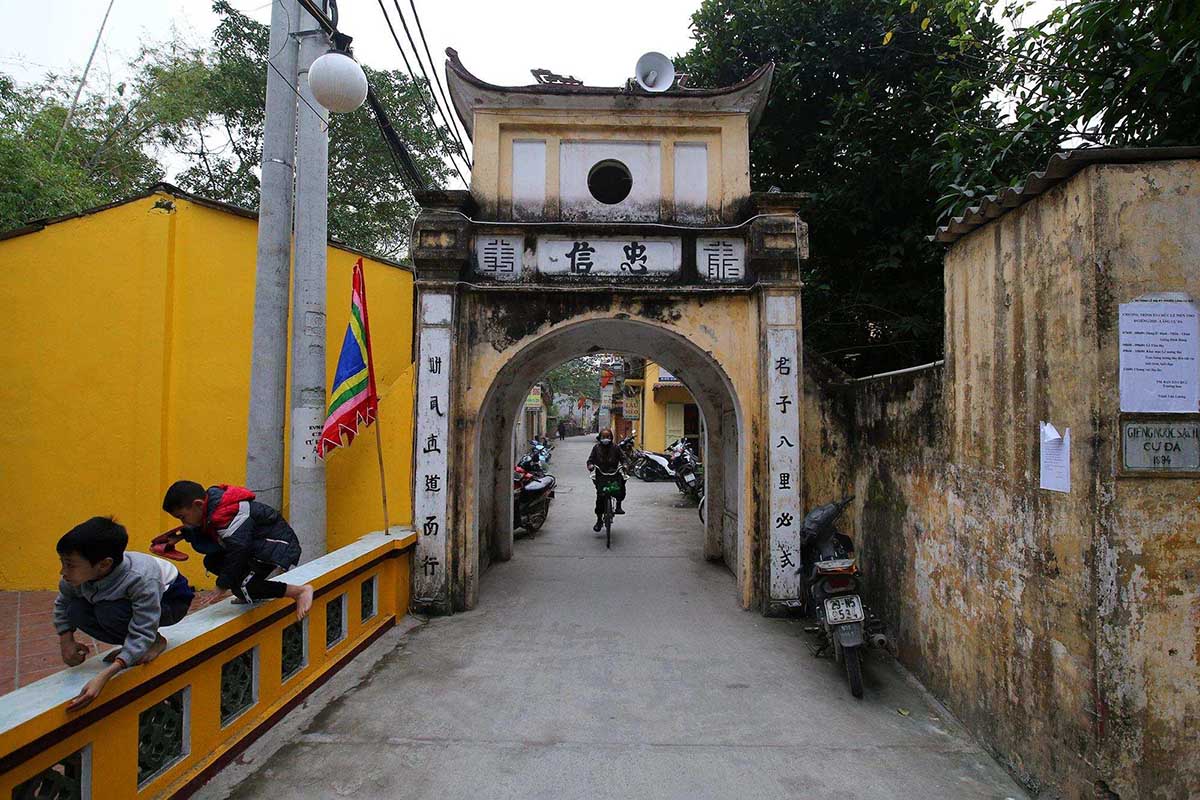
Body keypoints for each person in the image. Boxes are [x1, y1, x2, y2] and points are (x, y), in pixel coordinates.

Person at [54, 516, 196, 710]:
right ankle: (136, 647)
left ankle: (155, 641)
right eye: (63, 563)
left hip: (171, 600)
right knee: (75, 610)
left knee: (108, 611)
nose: (63, 571)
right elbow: (63, 602)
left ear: (104, 564)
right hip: (128, 603)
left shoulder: (140, 577)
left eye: (70, 565)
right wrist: (66, 640)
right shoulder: (76, 578)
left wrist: (109, 673)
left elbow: (143, 623)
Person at [158, 481, 313, 621]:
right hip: (255, 546)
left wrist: (221, 586)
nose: (183, 522)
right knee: (212, 561)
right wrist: (180, 536)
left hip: (274, 546)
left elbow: (238, 551)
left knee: (247, 586)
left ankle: (298, 591)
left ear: (198, 504)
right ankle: (244, 593)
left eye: (182, 517)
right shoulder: (212, 508)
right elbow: (205, 528)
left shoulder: (226, 514)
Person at [586, 427, 627, 531]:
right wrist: (590, 465)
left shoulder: (616, 447)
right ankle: (599, 520)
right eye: (604, 437)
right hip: (601, 474)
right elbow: (590, 460)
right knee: (600, 497)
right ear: (600, 437)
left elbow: (623, 458)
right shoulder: (596, 448)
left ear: (611, 437)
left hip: (614, 473)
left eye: (608, 437)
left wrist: (625, 465)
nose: (606, 439)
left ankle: (618, 505)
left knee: (621, 486)